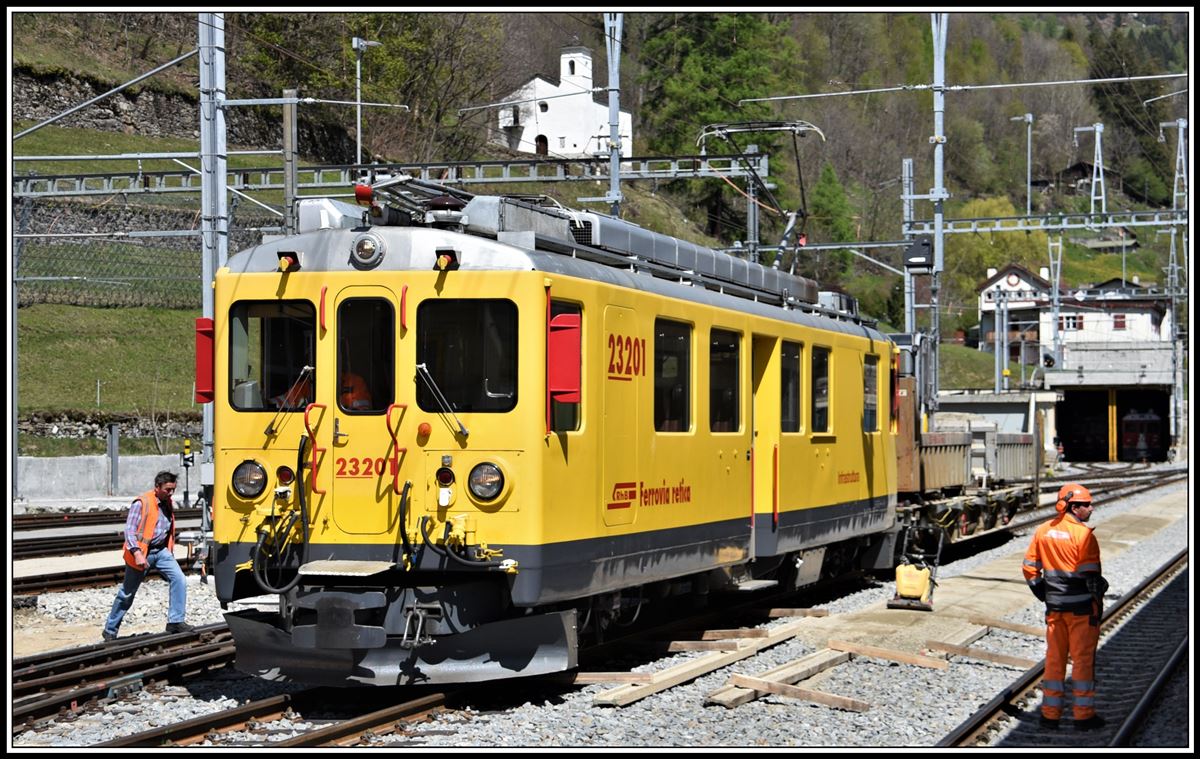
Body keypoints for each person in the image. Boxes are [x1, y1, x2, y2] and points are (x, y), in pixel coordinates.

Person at [1022, 483, 1108, 732]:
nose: (1091, 508)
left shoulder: (1043, 531)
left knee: (1054, 659)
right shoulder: (1084, 536)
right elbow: (1090, 577)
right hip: (1082, 611)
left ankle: (1050, 715)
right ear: (1072, 506)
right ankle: (1083, 716)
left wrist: (1044, 593)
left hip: (1055, 610)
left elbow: (1029, 568)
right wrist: (1100, 591)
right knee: (1082, 662)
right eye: (1086, 504)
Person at [102, 471, 194, 640]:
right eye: (167, 489)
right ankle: (110, 629)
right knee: (127, 593)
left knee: (179, 579)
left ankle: (175, 621)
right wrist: (137, 553)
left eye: (173, 489)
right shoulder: (142, 502)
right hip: (142, 552)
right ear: (157, 487)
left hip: (161, 552)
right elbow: (129, 531)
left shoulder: (167, 502)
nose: (171, 493)